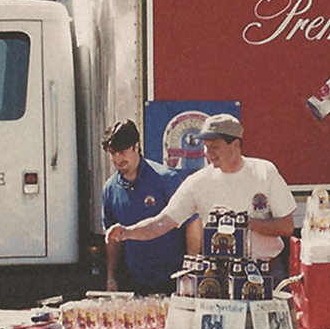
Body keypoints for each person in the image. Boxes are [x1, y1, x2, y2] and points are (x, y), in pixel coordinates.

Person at [108, 113, 300, 269]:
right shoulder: (199, 182)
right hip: (219, 276)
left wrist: (244, 222)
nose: (209, 154)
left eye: (215, 147)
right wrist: (127, 232)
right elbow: (162, 222)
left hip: (266, 270)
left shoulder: (264, 171)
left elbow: (286, 227)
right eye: (206, 148)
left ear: (236, 144)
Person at [98, 121, 187, 294]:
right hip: (134, 281)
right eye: (112, 153)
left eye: (122, 152)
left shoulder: (166, 179)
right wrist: (111, 277)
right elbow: (112, 237)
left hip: (172, 280)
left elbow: (192, 224)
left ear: (136, 147)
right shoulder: (110, 188)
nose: (117, 159)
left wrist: (191, 275)